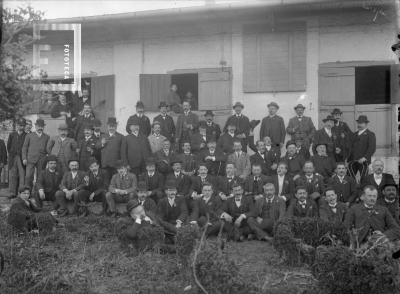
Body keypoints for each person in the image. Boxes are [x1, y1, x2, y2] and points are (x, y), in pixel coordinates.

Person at [22, 118, 50, 188]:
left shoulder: (47, 137)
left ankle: (38, 193)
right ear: (36, 126)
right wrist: (24, 158)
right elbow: (24, 147)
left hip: (42, 159)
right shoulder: (29, 136)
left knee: (40, 177)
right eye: (38, 126)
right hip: (30, 159)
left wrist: (47, 157)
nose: (40, 128)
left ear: (43, 127)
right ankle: (27, 192)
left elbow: (48, 149)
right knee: (28, 176)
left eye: (42, 126)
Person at [348, 115, 376, 183]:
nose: (359, 125)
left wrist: (365, 157)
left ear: (366, 124)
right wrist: (348, 159)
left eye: (361, 123)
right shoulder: (354, 134)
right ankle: (353, 192)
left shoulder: (370, 134)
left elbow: (372, 148)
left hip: (363, 162)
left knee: (364, 179)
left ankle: (362, 192)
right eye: (358, 123)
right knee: (350, 178)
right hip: (353, 161)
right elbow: (351, 148)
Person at [97, 117, 124, 182]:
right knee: (106, 181)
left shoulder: (121, 136)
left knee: (116, 181)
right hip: (105, 164)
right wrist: (102, 143)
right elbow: (97, 146)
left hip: (115, 164)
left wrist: (121, 163)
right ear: (107, 126)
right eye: (110, 126)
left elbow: (123, 151)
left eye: (113, 126)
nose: (111, 128)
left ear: (116, 126)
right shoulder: (103, 136)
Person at [7, 118, 27, 198]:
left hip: (22, 157)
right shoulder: (12, 135)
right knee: (12, 175)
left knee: (22, 175)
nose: (21, 127)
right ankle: (12, 193)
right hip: (13, 157)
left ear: (24, 126)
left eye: (22, 125)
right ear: (17, 125)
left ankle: (21, 193)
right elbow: (9, 146)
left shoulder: (26, 135)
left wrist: (24, 157)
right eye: (19, 125)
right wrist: (12, 153)